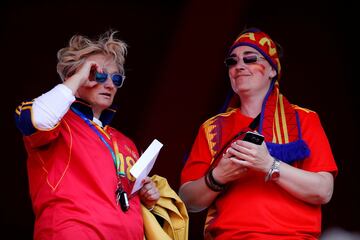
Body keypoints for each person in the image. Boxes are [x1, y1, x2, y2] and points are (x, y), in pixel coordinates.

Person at [179, 28, 338, 239]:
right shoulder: (212, 127)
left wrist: (269, 165)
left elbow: (323, 191)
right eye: (232, 61)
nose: (239, 66)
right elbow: (187, 200)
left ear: (273, 69)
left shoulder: (305, 119)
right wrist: (217, 177)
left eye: (250, 58)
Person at [14, 30, 160, 239]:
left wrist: (148, 198)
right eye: (97, 74)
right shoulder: (58, 123)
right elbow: (35, 119)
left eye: (116, 78)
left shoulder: (126, 142)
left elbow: (124, 199)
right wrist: (80, 76)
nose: (109, 84)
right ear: (73, 76)